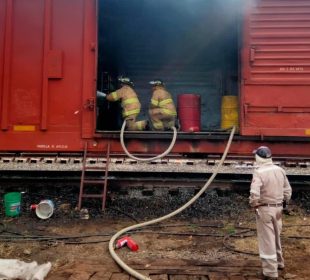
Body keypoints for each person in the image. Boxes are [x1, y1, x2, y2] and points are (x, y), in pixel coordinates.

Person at [249, 146, 292, 280]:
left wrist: (253, 203)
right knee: (276, 237)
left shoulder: (259, 172)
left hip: (265, 209)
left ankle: (270, 272)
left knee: (267, 240)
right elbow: (287, 191)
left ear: (258, 157)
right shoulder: (280, 170)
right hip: (278, 208)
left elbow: (254, 193)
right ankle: (279, 263)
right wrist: (283, 203)